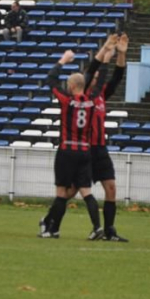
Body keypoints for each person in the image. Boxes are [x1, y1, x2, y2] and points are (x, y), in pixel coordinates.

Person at [40, 34, 129, 242]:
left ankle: (108, 231)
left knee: (111, 188)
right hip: (84, 148)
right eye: (94, 76)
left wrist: (121, 55)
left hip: (99, 149)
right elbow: (93, 68)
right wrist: (105, 51)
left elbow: (116, 76)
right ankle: (50, 221)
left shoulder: (99, 95)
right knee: (70, 192)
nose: (97, 78)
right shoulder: (86, 94)